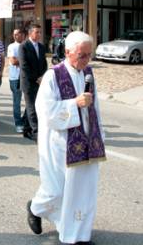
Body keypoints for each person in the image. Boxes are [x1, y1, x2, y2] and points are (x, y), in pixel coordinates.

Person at [26, 31, 105, 245]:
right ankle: (35, 207)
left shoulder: (87, 73)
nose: (86, 60)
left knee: (82, 190)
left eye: (89, 55)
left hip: (86, 141)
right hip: (59, 143)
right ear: (68, 52)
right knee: (57, 190)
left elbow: (94, 106)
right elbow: (45, 111)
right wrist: (74, 104)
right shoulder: (53, 76)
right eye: (82, 55)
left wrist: (99, 135)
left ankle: (77, 235)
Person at [19, 24, 48, 140]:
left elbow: (44, 63)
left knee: (32, 106)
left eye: (40, 32)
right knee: (32, 107)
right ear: (30, 33)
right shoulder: (23, 46)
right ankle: (36, 131)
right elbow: (24, 66)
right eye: (37, 32)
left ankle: (26, 129)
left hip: (39, 82)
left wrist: (43, 77)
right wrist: (36, 78)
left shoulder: (41, 47)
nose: (39, 34)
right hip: (28, 82)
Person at [7, 28, 26, 133]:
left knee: (30, 101)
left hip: (25, 77)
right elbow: (13, 61)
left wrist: (22, 60)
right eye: (14, 34)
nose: (15, 36)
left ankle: (25, 120)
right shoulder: (12, 46)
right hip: (15, 78)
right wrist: (25, 60)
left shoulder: (26, 45)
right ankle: (18, 123)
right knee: (17, 102)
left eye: (18, 34)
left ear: (22, 35)